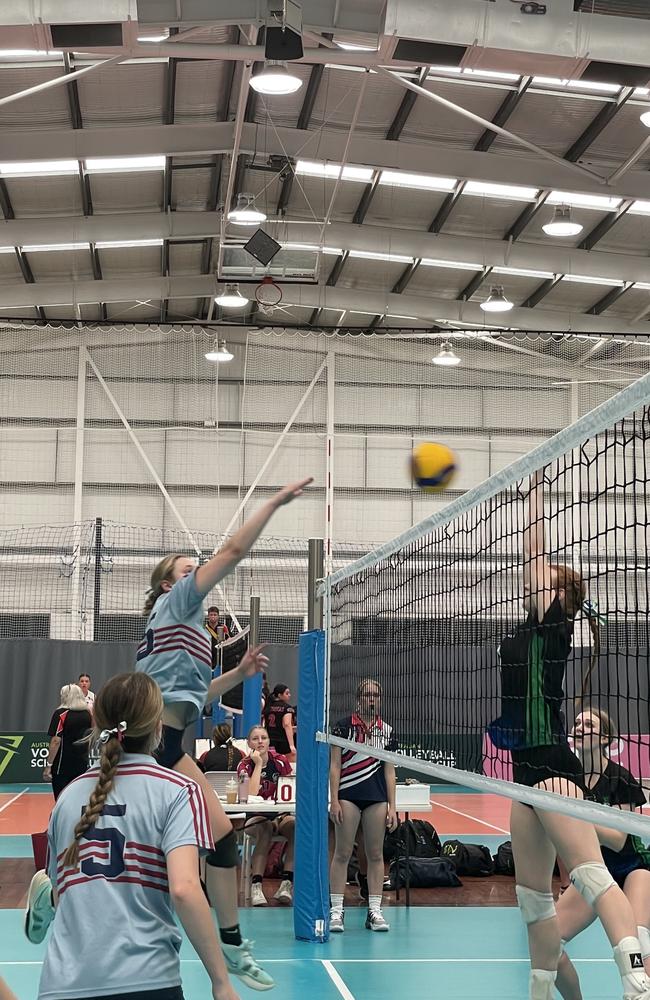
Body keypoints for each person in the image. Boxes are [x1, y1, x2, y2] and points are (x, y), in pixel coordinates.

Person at [136, 477, 311, 990]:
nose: (198, 573)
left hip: (160, 741)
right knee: (214, 840)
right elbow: (233, 549)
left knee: (220, 837)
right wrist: (275, 503)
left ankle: (231, 947)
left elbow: (194, 696)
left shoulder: (175, 628)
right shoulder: (179, 603)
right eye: (188, 570)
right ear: (171, 584)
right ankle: (228, 951)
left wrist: (238, 675)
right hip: (156, 745)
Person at [493, 471, 650, 1000]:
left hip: (553, 767)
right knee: (533, 904)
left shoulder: (551, 618)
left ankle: (635, 979)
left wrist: (533, 495)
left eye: (545, 576)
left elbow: (532, 554)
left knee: (589, 874)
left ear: (558, 593)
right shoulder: (527, 626)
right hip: (522, 777)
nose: (532, 579)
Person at [25, 672, 240, 1000]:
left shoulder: (68, 797)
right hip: (146, 979)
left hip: (62, 985)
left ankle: (41, 897)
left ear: (97, 723)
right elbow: (183, 888)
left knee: (57, 890)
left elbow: (65, 891)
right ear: (158, 727)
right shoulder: (178, 791)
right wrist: (221, 982)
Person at [555, 708, 650, 999]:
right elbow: (560, 839)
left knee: (639, 949)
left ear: (605, 738)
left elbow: (619, 839)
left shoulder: (620, 778)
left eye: (589, 724)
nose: (580, 727)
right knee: (546, 946)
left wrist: (577, 815)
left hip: (632, 869)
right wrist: (564, 883)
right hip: (591, 869)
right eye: (577, 723)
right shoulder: (565, 780)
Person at [329, 678, 398, 934]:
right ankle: (336, 910)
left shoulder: (387, 731)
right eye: (367, 695)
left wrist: (393, 806)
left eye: (376, 695)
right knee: (343, 853)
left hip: (376, 798)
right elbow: (335, 766)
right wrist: (334, 799)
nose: (372, 699)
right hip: (348, 795)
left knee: (376, 855)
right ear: (358, 699)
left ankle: (375, 911)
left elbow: (389, 772)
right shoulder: (342, 728)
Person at [237, 725, 294, 907]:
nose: (260, 741)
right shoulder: (244, 765)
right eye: (255, 738)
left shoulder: (281, 761)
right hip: (256, 816)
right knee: (265, 829)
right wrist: (259, 764)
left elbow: (290, 789)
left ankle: (286, 884)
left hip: (279, 814)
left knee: (296, 827)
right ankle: (256, 886)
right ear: (248, 743)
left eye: (264, 737)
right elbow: (251, 794)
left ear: (269, 741)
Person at [44, 684, 92, 800]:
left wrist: (48, 765)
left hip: (62, 766)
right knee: (78, 800)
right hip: (81, 764)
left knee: (61, 799)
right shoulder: (87, 714)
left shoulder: (61, 714)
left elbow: (56, 741)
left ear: (66, 696)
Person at [263, 684, 296, 758]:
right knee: (287, 765)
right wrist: (291, 745)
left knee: (272, 762)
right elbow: (286, 724)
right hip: (283, 740)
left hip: (270, 739)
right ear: (280, 695)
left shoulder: (268, 707)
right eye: (287, 693)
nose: (289, 695)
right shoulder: (287, 708)